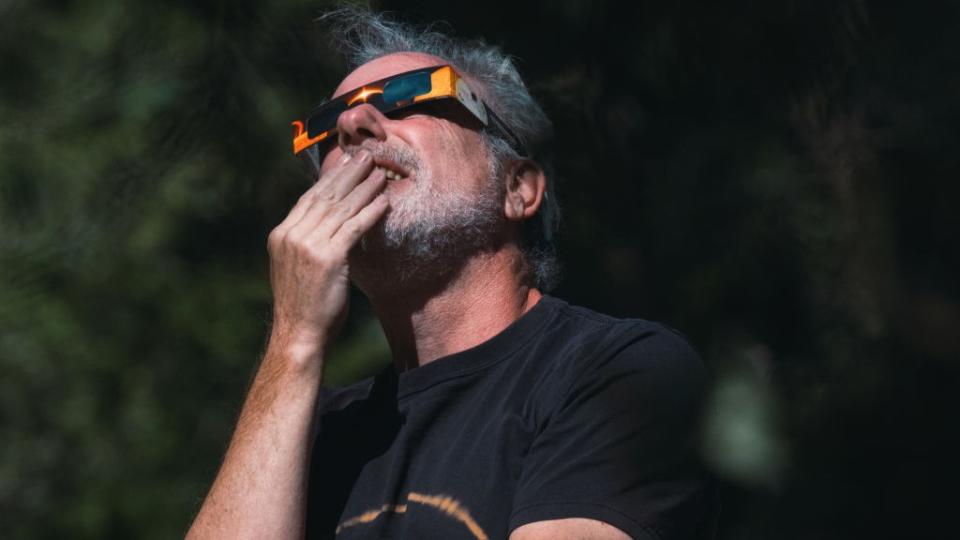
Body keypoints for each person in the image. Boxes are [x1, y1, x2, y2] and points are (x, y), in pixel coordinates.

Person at [187, 8, 717, 540]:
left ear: (518, 189)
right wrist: (293, 338)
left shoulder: (615, 373)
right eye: (324, 127)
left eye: (410, 97)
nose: (351, 125)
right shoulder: (309, 432)